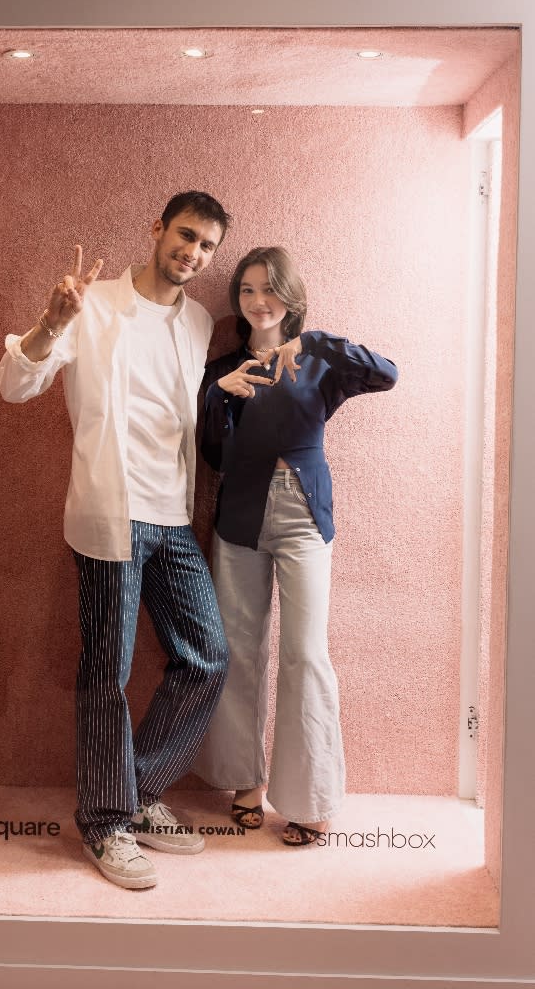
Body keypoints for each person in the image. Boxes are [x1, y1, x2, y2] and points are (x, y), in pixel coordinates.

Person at [0, 192, 231, 888]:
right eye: (185, 235)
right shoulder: (90, 303)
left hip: (174, 517)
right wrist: (49, 323)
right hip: (110, 513)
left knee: (208, 658)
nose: (192, 253)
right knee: (106, 671)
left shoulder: (195, 322)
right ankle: (106, 825)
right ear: (156, 229)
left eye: (206, 246)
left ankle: (136, 789)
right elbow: (15, 384)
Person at [192, 246, 397, 846]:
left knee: (305, 654)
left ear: (291, 297)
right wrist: (219, 396)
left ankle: (310, 800)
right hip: (240, 519)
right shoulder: (223, 367)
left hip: (305, 515)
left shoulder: (317, 362)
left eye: (269, 290)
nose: (258, 302)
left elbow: (386, 373)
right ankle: (244, 780)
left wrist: (318, 343)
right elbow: (212, 455)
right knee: (238, 650)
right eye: (248, 291)